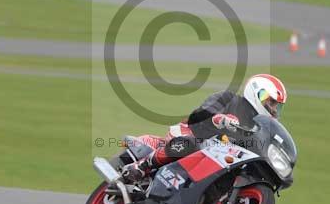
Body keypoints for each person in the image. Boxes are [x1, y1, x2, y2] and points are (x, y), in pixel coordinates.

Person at [120, 74, 287, 183]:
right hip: (191, 133)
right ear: (257, 92)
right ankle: (142, 166)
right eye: (271, 102)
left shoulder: (257, 126)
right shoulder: (228, 98)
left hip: (218, 155)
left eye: (276, 106)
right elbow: (199, 115)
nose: (273, 109)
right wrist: (218, 118)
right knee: (190, 143)